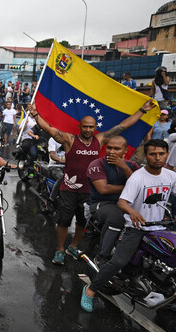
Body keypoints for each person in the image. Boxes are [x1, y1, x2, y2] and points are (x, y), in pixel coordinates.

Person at [28, 99, 155, 265]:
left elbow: (123, 126)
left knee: (82, 221)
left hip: (90, 190)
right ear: (80, 127)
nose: (88, 129)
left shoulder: (100, 139)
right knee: (64, 221)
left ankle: (73, 246)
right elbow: (49, 129)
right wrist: (35, 114)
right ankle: (60, 250)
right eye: (85, 126)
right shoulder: (69, 139)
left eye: (91, 127)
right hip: (69, 188)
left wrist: (142, 110)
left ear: (95, 128)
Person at [81, 139, 176, 312]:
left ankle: (171, 296)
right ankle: (90, 290)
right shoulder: (137, 177)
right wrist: (132, 212)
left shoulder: (171, 176)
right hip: (135, 228)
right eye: (152, 154)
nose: (157, 158)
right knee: (118, 262)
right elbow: (122, 202)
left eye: (161, 154)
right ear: (147, 156)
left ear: (167, 154)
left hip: (158, 227)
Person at [86, 136, 139, 265]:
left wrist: (125, 168)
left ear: (125, 151)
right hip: (101, 204)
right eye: (109, 148)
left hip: (126, 204)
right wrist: (130, 188)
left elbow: (140, 185)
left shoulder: (132, 165)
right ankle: (102, 257)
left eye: (117, 149)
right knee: (117, 218)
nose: (112, 151)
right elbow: (103, 189)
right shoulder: (97, 164)